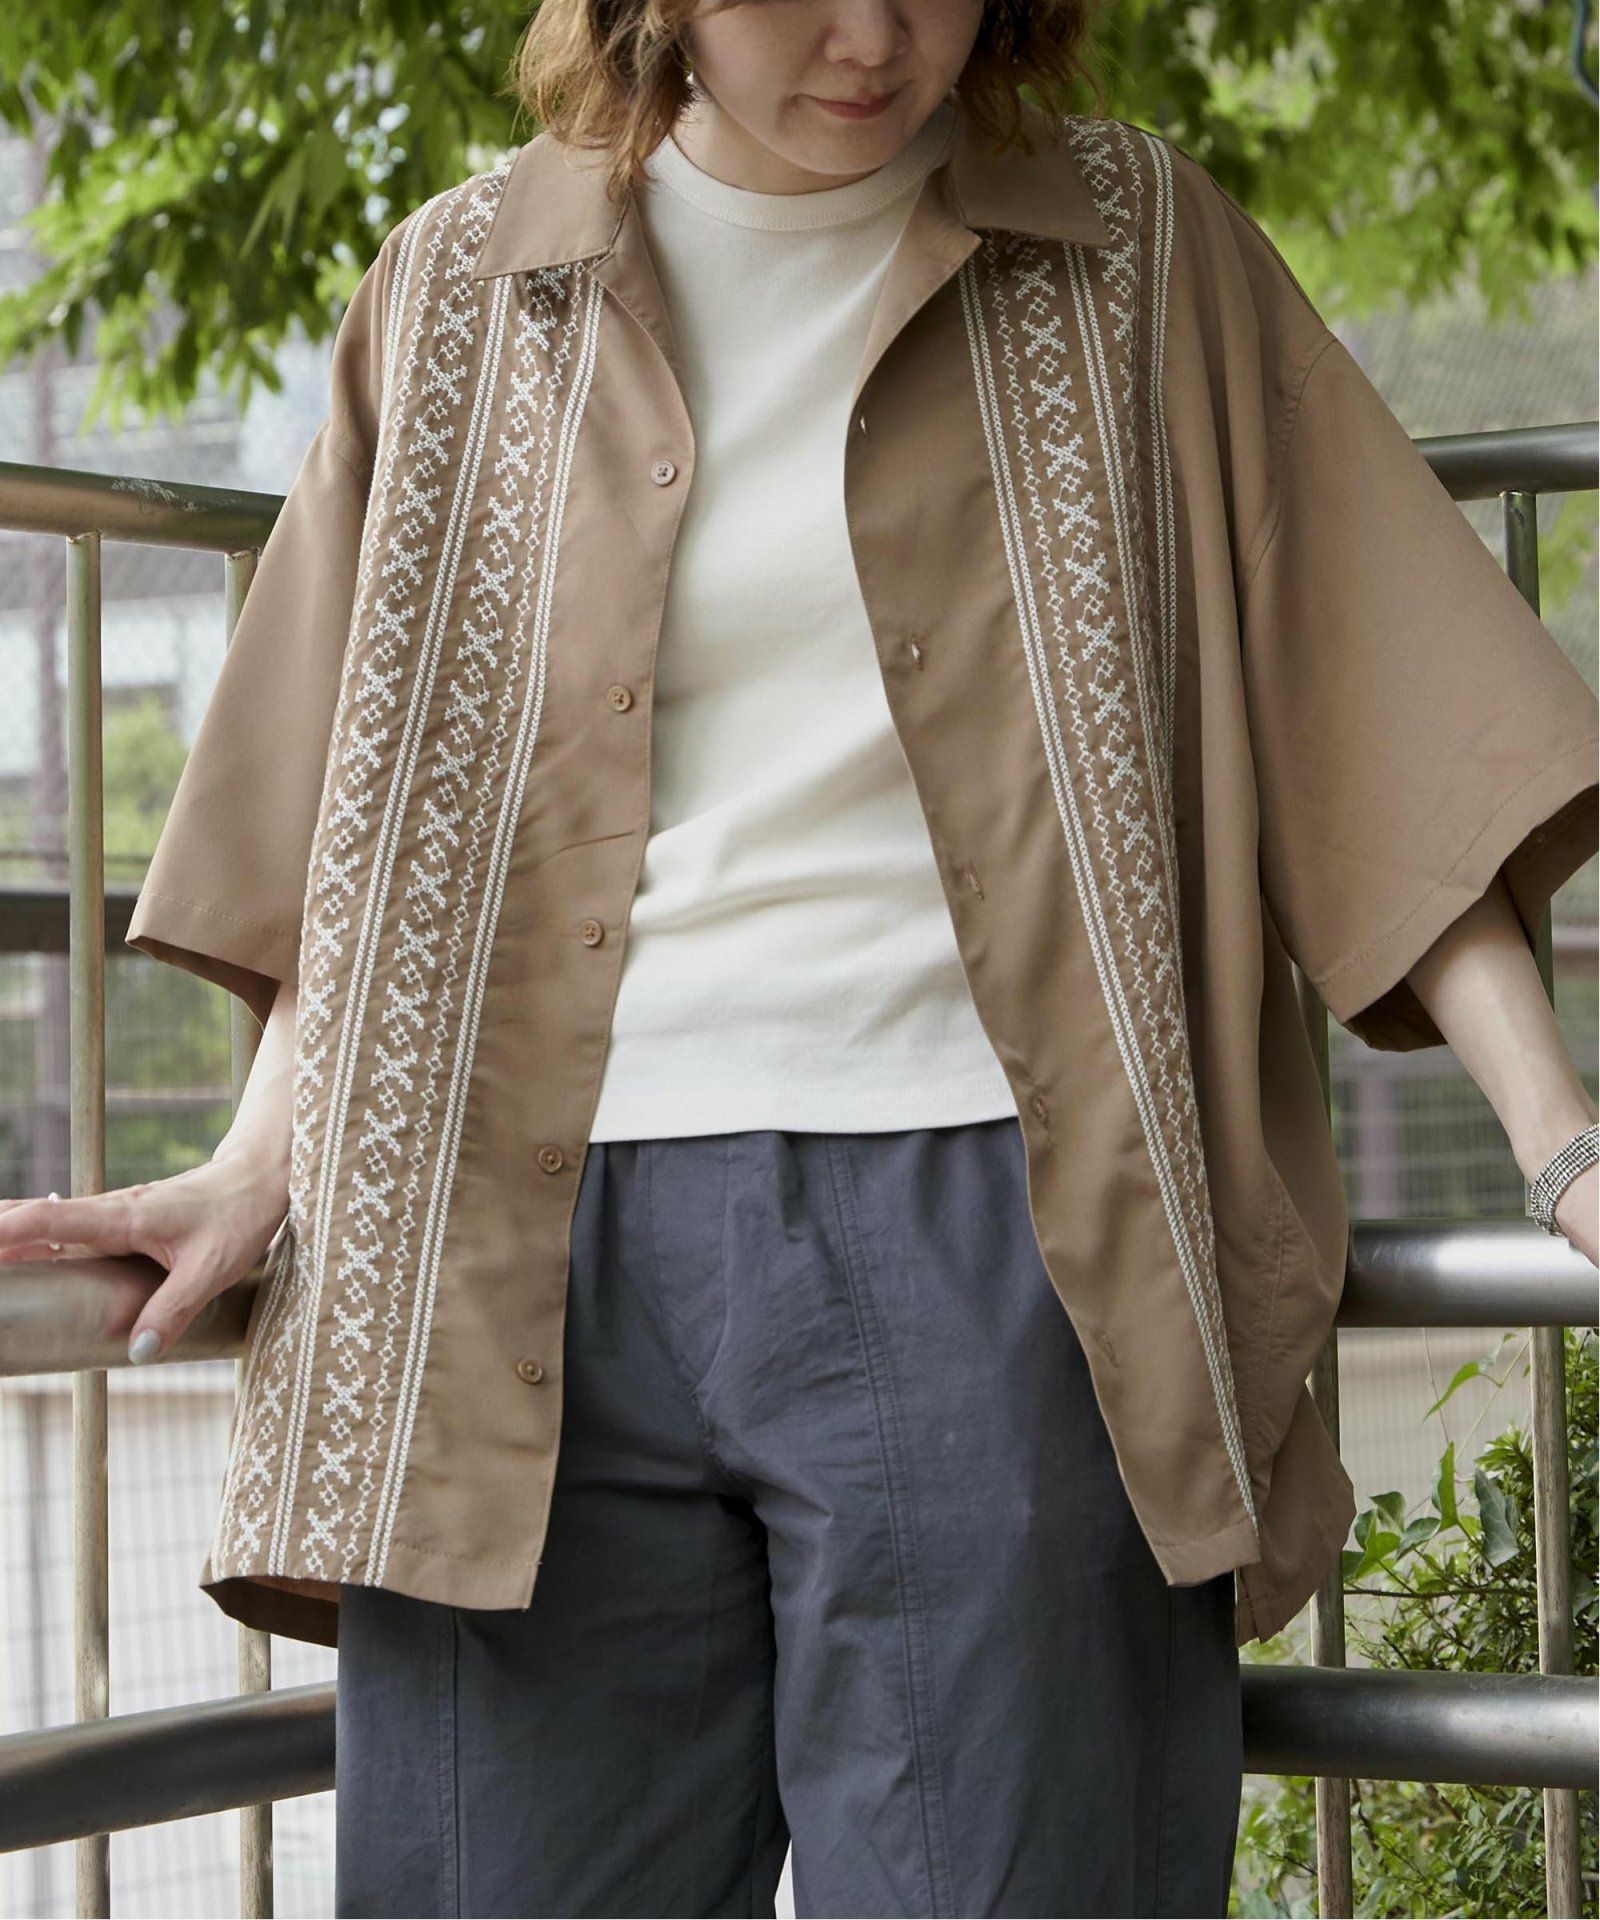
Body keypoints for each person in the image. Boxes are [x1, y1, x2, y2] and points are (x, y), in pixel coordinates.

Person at [5, 2, 1598, 1915]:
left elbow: (1368, 703)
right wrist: (264, 1160)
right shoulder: (462, 286)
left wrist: (1563, 1140)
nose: (873, 36)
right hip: (507, 1265)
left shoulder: (1134, 246)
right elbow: (370, 803)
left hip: (1009, 1249)